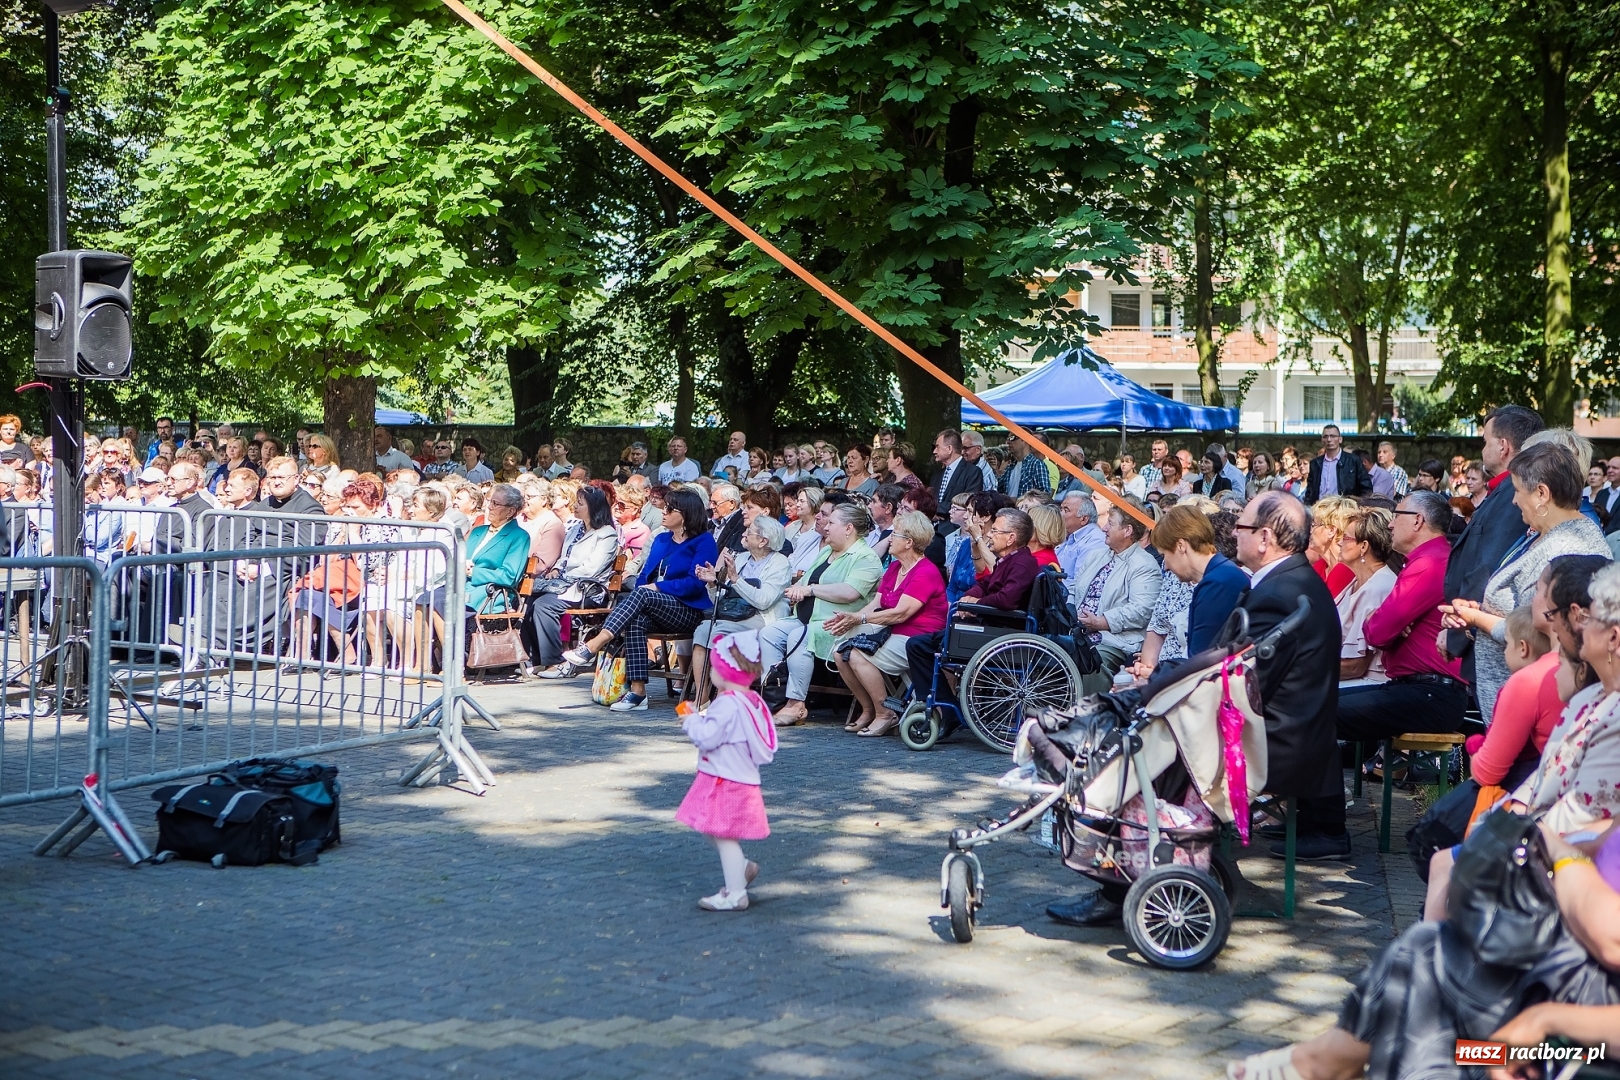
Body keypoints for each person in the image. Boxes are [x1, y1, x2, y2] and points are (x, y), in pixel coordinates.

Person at [1444, 442, 1609, 723]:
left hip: (1536, 711)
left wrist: (1476, 619)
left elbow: (1542, 633)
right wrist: (1478, 613)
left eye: (1518, 490)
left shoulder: (1568, 547)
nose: (1513, 500)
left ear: (1542, 493)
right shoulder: (1544, 534)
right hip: (1517, 703)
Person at [1234, 492, 1346, 861]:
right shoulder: (1294, 579)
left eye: (1241, 526)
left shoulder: (1280, 592)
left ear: (1265, 537)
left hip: (1281, 741)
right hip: (1302, 733)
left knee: (1161, 743)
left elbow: (1247, 683)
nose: (1233, 532)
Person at [564, 488, 717, 711]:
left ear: (685, 514)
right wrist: (649, 588)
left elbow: (694, 583)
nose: (663, 511)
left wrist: (658, 587)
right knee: (636, 620)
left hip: (687, 609)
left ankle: (594, 644)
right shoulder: (661, 539)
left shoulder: (703, 541)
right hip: (655, 606)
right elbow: (644, 576)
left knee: (642, 594)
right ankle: (638, 692)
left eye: (669, 509)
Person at [1441, 404, 1546, 685]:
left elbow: (1488, 567)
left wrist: (1458, 633)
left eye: (1486, 441)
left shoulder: (1513, 494)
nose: (1482, 449)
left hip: (1491, 644)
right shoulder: (1505, 489)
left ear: (1503, 446)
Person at [675, 630, 777, 912]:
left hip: (725, 779)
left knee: (723, 835)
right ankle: (741, 868)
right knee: (712, 827)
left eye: (714, 668)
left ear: (725, 672)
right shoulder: (750, 701)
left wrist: (690, 721)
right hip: (736, 777)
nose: (711, 674)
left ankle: (735, 894)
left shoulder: (726, 704)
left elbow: (707, 737)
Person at [759, 503, 883, 727]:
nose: (826, 527)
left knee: (799, 636)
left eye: (832, 523)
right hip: (805, 617)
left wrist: (810, 590)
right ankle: (774, 700)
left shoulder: (865, 557)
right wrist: (796, 590)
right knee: (769, 633)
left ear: (848, 528)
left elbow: (850, 592)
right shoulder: (826, 551)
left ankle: (796, 703)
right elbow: (806, 580)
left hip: (839, 623)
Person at [826, 511, 946, 737]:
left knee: (856, 654)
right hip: (891, 631)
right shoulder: (894, 567)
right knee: (839, 652)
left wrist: (859, 619)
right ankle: (868, 709)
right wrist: (849, 619)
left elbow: (900, 614)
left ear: (909, 542)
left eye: (895, 534)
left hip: (918, 638)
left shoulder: (925, 572)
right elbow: (876, 604)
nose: (890, 538)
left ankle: (885, 714)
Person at [904, 508, 1041, 704]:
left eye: (995, 530)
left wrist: (977, 604)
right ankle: (943, 705)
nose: (989, 534)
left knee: (917, 646)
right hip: (990, 628)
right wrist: (968, 598)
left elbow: (1007, 600)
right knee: (919, 643)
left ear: (1011, 538)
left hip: (1000, 634)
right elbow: (985, 584)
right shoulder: (1009, 560)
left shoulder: (1022, 564)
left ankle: (945, 707)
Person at [412, 482, 528, 667]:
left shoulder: (519, 536)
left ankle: (453, 665)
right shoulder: (478, 531)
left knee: (439, 602)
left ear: (510, 511)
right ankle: (422, 665)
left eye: (496, 503)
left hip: (490, 591)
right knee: (424, 599)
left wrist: (474, 572)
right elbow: (459, 557)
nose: (489, 507)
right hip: (461, 584)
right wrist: (461, 563)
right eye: (489, 502)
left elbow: (510, 575)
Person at [1128, 504, 1248, 677]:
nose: (1166, 566)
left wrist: (1153, 679)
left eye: (1164, 556)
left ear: (1181, 546)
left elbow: (1200, 663)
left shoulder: (1217, 584)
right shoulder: (1220, 576)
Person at [1067, 498, 1163, 693]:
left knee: (1092, 658)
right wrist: (1069, 611)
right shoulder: (1097, 555)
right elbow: (1074, 588)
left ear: (1127, 531)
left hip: (1116, 639)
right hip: (1078, 630)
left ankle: (1090, 708)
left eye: (1110, 524)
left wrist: (1102, 622)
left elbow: (1141, 610)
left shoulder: (1144, 565)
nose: (1104, 528)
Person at [688, 514, 792, 696]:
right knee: (702, 630)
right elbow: (722, 599)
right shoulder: (742, 559)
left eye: (749, 532)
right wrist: (712, 583)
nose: (743, 534)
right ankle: (701, 697)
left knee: (719, 632)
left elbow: (764, 601)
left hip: (762, 617)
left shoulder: (780, 563)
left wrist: (736, 579)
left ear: (763, 541)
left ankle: (723, 696)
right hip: (733, 616)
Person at [527, 485, 620, 679]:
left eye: (580, 503)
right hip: (565, 585)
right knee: (530, 601)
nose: (575, 506)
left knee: (544, 605)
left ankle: (555, 663)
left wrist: (564, 577)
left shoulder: (607, 534)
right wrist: (556, 570)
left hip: (587, 590)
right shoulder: (576, 528)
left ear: (593, 507)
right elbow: (565, 557)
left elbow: (592, 569)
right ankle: (538, 661)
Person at [1334, 509, 1398, 683]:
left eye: (1345, 538)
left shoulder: (1379, 587)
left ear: (1363, 546)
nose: (1339, 542)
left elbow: (1355, 666)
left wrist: (1306, 670)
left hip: (1369, 683)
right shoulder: (1357, 582)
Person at [1308, 495, 1361, 599]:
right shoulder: (1320, 566)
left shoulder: (1345, 571)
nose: (1310, 531)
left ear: (1331, 531)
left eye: (1314, 525)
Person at [1304, 423, 1372, 503]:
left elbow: (1366, 488)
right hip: (1319, 506)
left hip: (1344, 508)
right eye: (1325, 436)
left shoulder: (1353, 461)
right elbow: (1310, 491)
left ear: (1340, 439)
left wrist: (1357, 506)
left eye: (1333, 436)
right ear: (1322, 440)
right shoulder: (1315, 463)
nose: (1329, 440)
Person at [1053, 493, 1104, 582]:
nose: (1060, 514)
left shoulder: (1095, 541)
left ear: (1084, 519)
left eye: (1066, 510)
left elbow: (1078, 583)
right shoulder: (1066, 533)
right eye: (1061, 509)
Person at [931, 429, 983, 511]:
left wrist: (934, 509)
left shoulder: (973, 472)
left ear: (949, 449)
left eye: (937, 447)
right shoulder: (937, 475)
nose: (934, 451)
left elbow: (967, 502)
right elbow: (930, 502)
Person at [709, 483, 746, 554]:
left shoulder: (742, 524)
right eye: (711, 502)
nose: (711, 506)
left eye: (715, 503)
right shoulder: (710, 524)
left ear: (732, 504)